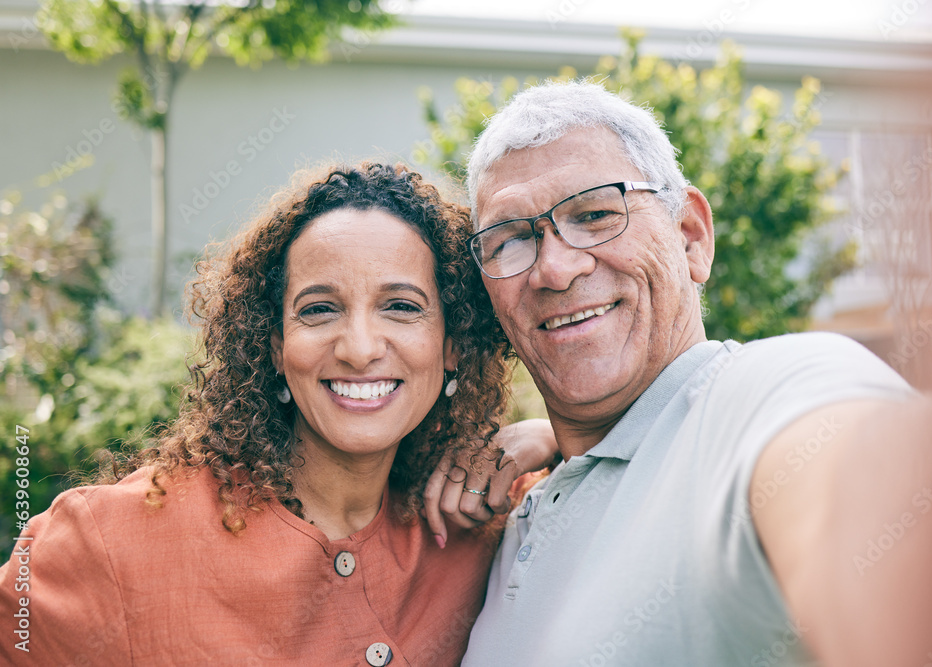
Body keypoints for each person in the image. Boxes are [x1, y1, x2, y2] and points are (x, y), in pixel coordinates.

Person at [459, 80, 932, 666]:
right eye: (511, 240)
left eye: (594, 214)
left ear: (691, 238)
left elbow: (864, 493)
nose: (555, 268)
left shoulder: (771, 394)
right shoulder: (510, 518)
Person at [0, 162, 555, 666]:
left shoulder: (488, 518)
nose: (359, 348)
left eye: (401, 307)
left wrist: (552, 433)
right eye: (319, 309)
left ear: (452, 343)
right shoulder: (107, 541)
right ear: (272, 345)